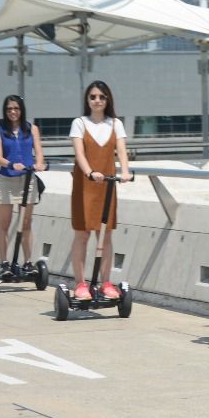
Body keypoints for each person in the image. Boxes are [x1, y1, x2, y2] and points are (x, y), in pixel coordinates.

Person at [69, 80, 133, 300]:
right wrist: (88, 172)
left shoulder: (115, 124)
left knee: (105, 236)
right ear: (87, 100)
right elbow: (80, 154)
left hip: (107, 184)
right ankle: (80, 283)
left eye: (101, 97)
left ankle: (106, 282)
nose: (97, 100)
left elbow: (122, 152)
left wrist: (125, 171)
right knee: (83, 234)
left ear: (108, 100)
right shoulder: (79, 123)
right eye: (93, 97)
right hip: (85, 184)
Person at [0, 94, 47, 274]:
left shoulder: (32, 129)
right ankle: (5, 263)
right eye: (9, 109)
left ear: (21, 110)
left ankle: (28, 262)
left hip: (27, 180)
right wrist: (10, 164)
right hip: (7, 179)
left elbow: (38, 151)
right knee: (4, 223)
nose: (13, 112)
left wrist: (39, 163)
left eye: (16, 108)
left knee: (26, 224)